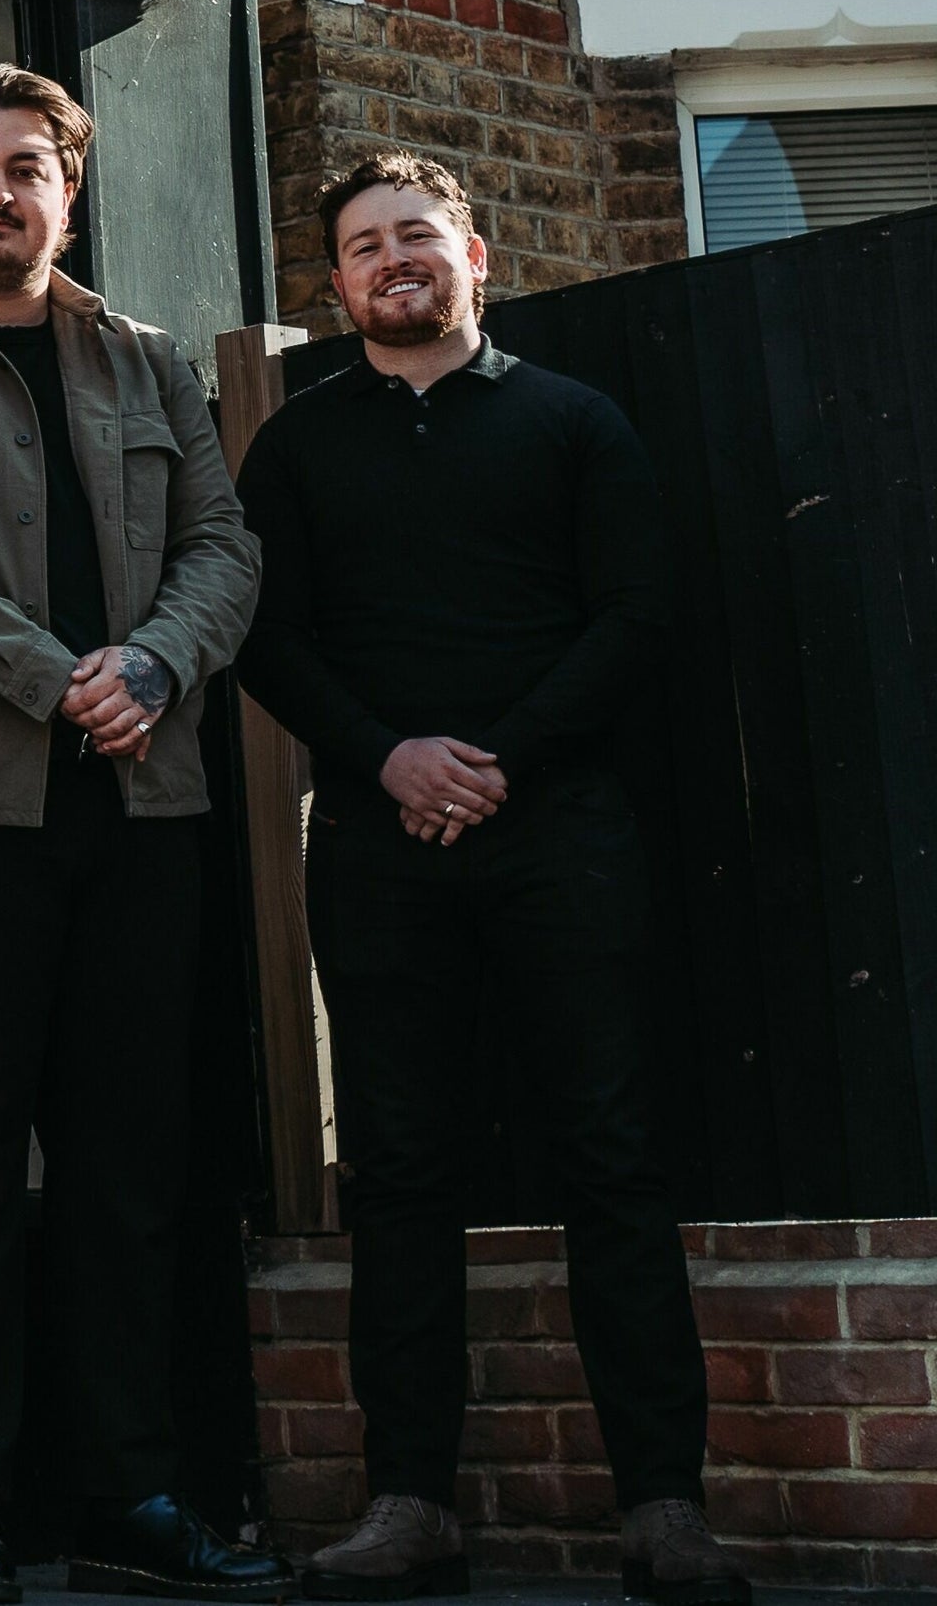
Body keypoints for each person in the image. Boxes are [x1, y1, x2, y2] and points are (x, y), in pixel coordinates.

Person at [236, 151, 744, 1606]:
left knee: (612, 1156)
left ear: (475, 252)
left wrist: (494, 759)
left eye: (418, 235)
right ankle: (410, 1505)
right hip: (377, 848)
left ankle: (666, 1510)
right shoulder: (299, 446)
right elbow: (270, 641)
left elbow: (635, 616)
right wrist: (390, 761)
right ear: (333, 286)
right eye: (363, 245)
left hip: (561, 834)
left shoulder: (572, 422)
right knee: (398, 1174)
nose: (393, 260)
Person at [0, 64, 278, 1603]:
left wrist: (157, 661)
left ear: (67, 190)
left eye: (26, 168)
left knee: (128, 1165)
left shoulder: (144, 358)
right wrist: (59, 677)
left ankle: (131, 1490)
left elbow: (224, 542)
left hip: (146, 805)